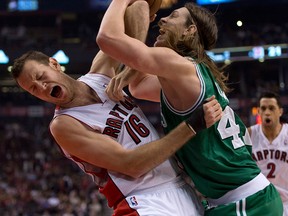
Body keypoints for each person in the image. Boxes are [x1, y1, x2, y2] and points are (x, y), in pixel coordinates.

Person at [11, 2, 223, 216]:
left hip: (179, 188)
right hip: (141, 201)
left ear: (54, 64)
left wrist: (131, 69)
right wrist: (191, 126)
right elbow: (131, 165)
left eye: (40, 77)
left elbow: (138, 8)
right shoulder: (64, 125)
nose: (40, 87)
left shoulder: (99, 74)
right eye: (32, 89)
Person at [96, 0, 283, 215]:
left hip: (246, 202)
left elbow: (107, 38)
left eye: (174, 16)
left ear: (190, 30)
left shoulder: (180, 65)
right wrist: (141, 24)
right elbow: (138, 87)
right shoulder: (187, 72)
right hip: (237, 199)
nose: (164, 18)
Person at [248, 91, 288, 215]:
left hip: (286, 202)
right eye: (263, 108)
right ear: (258, 111)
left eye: (271, 108)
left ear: (280, 111)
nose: (267, 112)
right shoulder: (249, 134)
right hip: (260, 203)